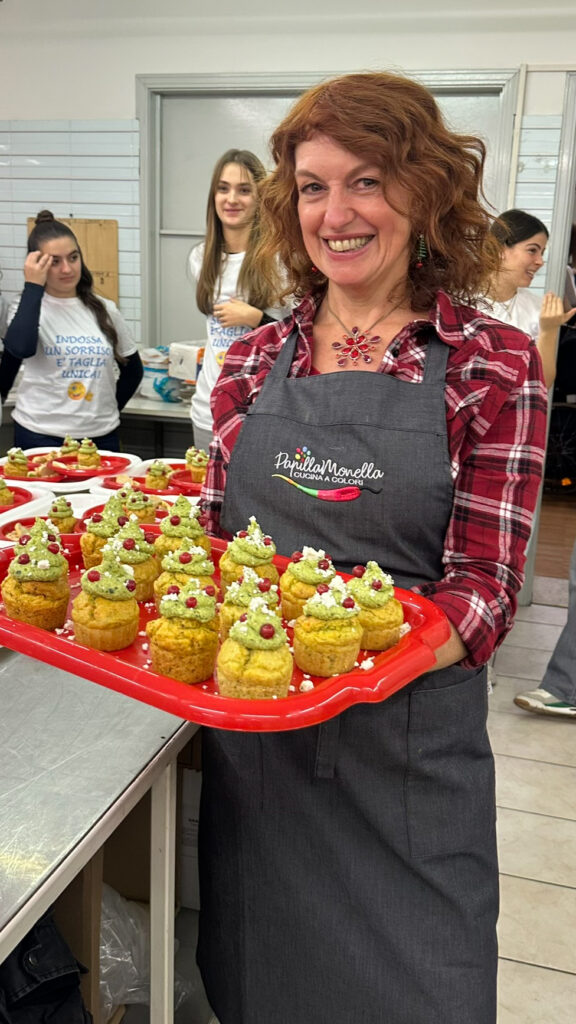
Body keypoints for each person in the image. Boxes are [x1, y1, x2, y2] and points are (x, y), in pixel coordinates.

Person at [196, 73, 548, 1024]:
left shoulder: (491, 362)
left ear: (426, 192)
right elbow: (219, 542)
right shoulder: (248, 363)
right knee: (257, 988)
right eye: (313, 186)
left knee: (431, 991)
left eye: (368, 181)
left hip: (406, 757)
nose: (336, 212)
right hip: (261, 759)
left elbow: (485, 589)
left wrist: (348, 659)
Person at [0, 211, 143, 450]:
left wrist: (104, 411)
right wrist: (33, 286)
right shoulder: (26, 307)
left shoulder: (105, 309)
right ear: (36, 264)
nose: (67, 269)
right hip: (40, 435)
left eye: (73, 258)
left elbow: (133, 371)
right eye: (54, 261)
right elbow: (20, 348)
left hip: (100, 437)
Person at [188, 149, 289, 452]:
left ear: (260, 198)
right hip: (206, 411)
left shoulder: (279, 260)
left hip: (257, 412)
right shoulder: (200, 257)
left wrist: (256, 319)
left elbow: (303, 340)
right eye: (223, 188)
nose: (231, 199)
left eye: (244, 190)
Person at [483, 208, 576, 388]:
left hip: (515, 413)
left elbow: (544, 382)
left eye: (542, 253)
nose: (540, 261)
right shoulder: (461, 300)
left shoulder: (538, 308)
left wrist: (549, 330)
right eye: (532, 250)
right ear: (500, 249)